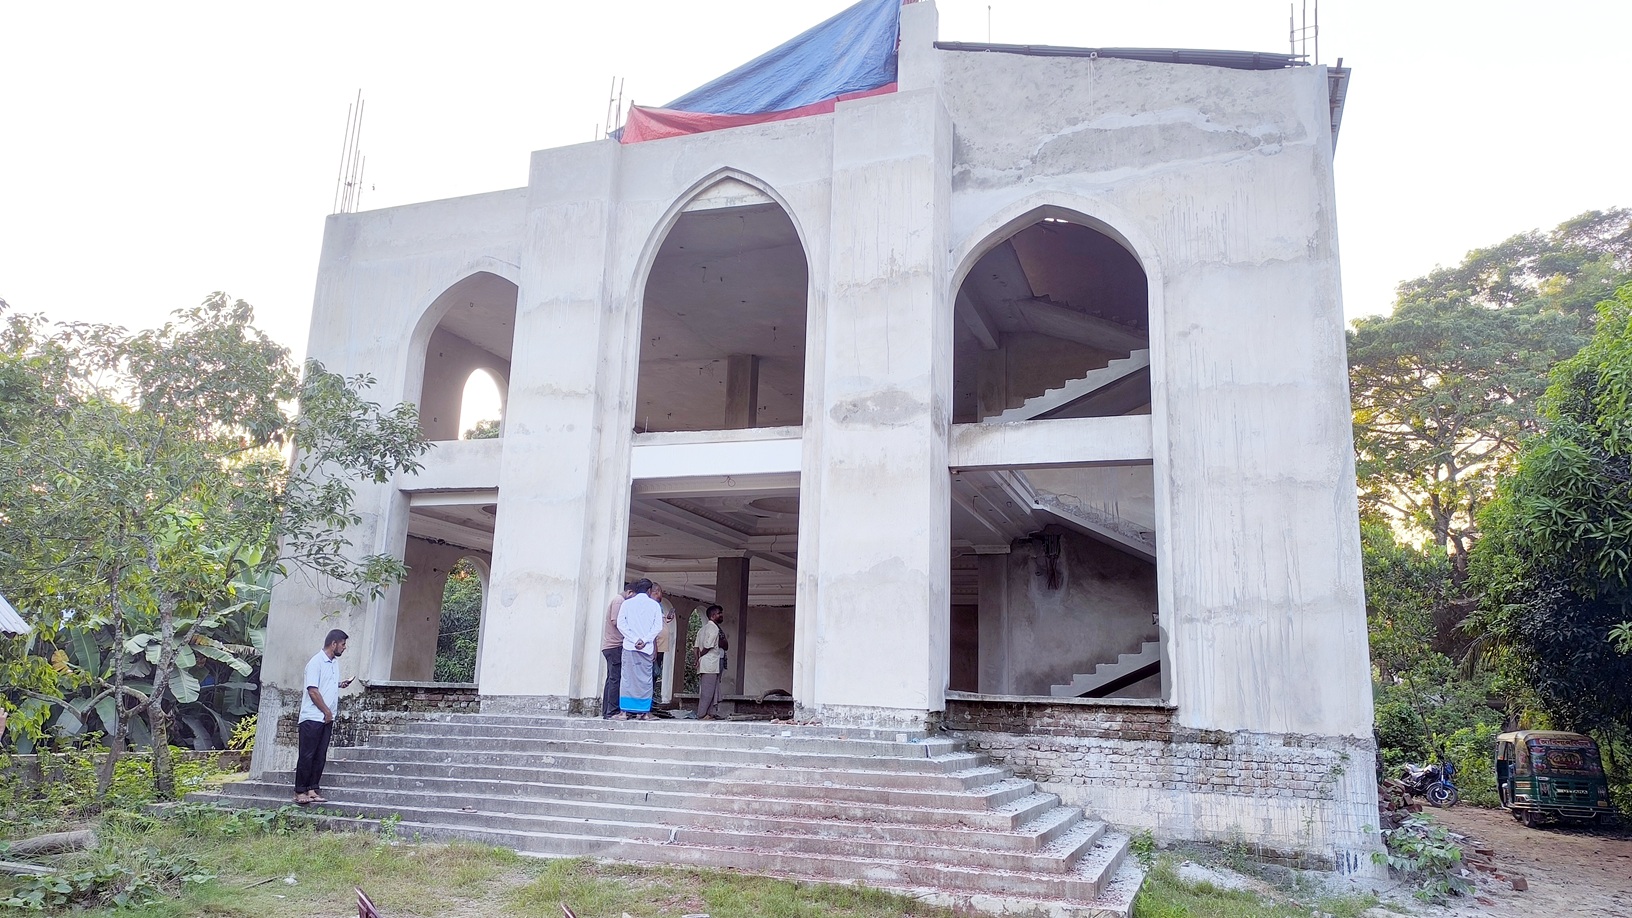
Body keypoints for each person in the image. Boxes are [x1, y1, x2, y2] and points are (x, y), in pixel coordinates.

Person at [295, 628, 352, 805]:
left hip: (327, 718)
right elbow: (313, 691)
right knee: (307, 754)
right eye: (343, 644)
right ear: (333, 644)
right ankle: (300, 790)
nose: (344, 648)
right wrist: (326, 711)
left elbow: (326, 684)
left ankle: (312, 789)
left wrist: (340, 685)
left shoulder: (334, 663)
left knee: (320, 755)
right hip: (313, 717)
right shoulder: (316, 662)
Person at [614, 580, 663, 720]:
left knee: (627, 678)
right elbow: (657, 627)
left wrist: (635, 639)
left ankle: (624, 712)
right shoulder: (654, 605)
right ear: (649, 590)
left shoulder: (627, 603)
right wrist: (645, 640)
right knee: (645, 680)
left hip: (630, 646)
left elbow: (621, 624)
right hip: (646, 648)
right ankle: (644, 712)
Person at [601, 583, 634, 719]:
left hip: (610, 646)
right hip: (615, 645)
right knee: (615, 679)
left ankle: (607, 710)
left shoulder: (618, 600)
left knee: (611, 679)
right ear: (630, 592)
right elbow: (616, 621)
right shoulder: (619, 601)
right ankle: (612, 711)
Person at [694, 604, 728, 720]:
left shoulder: (702, 629)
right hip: (710, 662)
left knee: (712, 689)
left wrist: (697, 658)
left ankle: (710, 713)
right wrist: (700, 657)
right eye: (719, 613)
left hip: (706, 663)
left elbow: (696, 647)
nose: (721, 615)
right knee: (708, 691)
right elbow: (708, 646)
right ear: (713, 616)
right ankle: (702, 714)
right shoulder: (714, 628)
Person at [651, 590, 676, 704]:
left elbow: (660, 623)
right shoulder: (651, 606)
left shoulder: (658, 606)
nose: (662, 594)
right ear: (654, 592)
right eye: (660, 591)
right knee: (653, 673)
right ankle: (649, 699)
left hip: (661, 647)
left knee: (656, 673)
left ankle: (651, 698)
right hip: (655, 647)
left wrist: (667, 619)